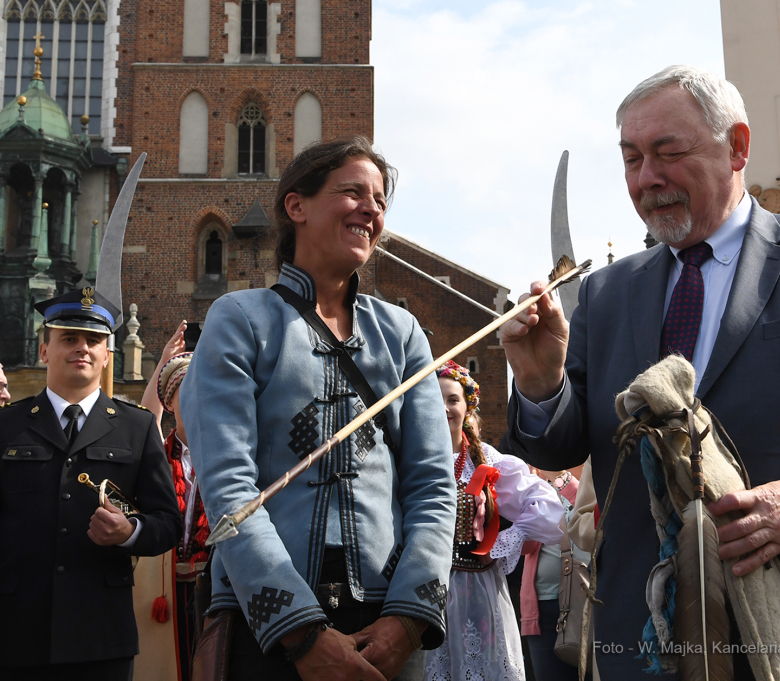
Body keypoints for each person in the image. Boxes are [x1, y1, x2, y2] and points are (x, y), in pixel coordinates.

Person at [501, 65, 780, 679]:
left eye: (668, 152)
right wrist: (540, 384)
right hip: (646, 639)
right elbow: (565, 443)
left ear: (737, 146)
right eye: (630, 159)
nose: (645, 178)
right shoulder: (605, 293)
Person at [179, 136, 456, 681]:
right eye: (352, 192)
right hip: (267, 628)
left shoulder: (400, 332)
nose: (371, 210)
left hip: (385, 624)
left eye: (379, 200)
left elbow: (433, 484)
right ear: (296, 206)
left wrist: (407, 619)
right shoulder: (239, 318)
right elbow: (230, 487)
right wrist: (299, 632)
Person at [0, 287, 182, 681]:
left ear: (106, 356)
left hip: (101, 635)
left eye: (94, 341)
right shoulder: (7, 426)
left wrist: (131, 531)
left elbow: (168, 523)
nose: (82, 348)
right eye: (69, 338)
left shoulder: (137, 428)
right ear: (45, 350)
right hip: (15, 633)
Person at [425, 360, 563, 681]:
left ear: (467, 406)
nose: (444, 408)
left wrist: (499, 544)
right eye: (436, 400)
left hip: (475, 590)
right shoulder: (413, 458)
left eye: (453, 399)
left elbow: (547, 507)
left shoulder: (485, 460)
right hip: (423, 591)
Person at [140, 320, 208, 681]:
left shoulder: (234, 458)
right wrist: (165, 361)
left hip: (214, 591)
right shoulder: (155, 457)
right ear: (171, 402)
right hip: (163, 589)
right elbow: (143, 423)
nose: (197, 400)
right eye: (187, 392)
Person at [520, 464, 591, 681]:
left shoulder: (589, 468)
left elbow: (592, 511)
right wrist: (527, 498)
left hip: (589, 601)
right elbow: (525, 546)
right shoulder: (530, 483)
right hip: (543, 609)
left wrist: (561, 479)